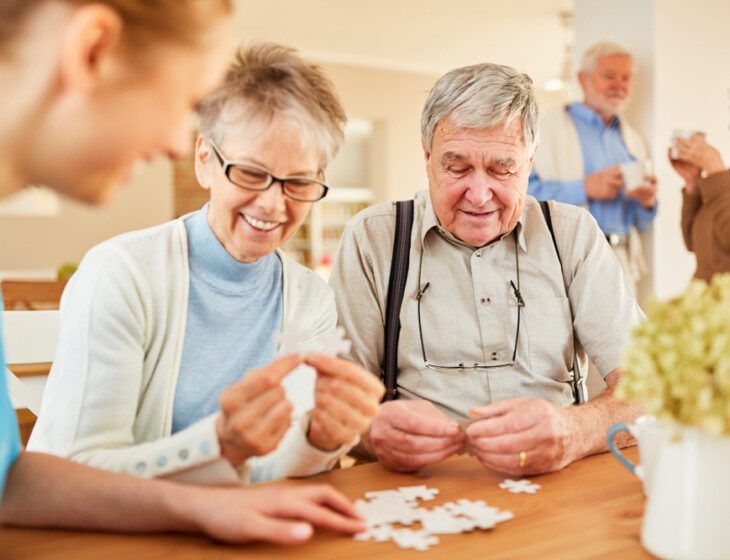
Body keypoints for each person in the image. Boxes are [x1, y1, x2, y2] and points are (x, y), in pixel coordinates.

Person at [0, 0, 366, 544]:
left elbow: (13, 484)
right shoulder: (120, 272)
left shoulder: (309, 296)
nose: (273, 204)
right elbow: (52, 476)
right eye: (251, 172)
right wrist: (220, 446)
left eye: (298, 183)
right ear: (205, 159)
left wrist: (317, 436)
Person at [330, 61, 644, 476]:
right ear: (427, 158)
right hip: (415, 491)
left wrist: (574, 429)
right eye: (456, 166)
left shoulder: (573, 234)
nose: (479, 196)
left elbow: (650, 389)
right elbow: (335, 404)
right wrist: (371, 430)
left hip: (557, 485)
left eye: (502, 167)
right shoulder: (372, 238)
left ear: (530, 161)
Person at [528, 41, 658, 291]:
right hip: (567, 258)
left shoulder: (632, 139)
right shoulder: (546, 128)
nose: (619, 85)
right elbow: (523, 194)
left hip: (621, 261)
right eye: (609, 76)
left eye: (626, 78)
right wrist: (584, 188)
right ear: (582, 79)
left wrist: (647, 202)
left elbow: (640, 222)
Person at [670, 134, 730, 281]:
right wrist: (693, 183)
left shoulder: (721, 182)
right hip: (707, 300)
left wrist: (715, 170)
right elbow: (692, 242)